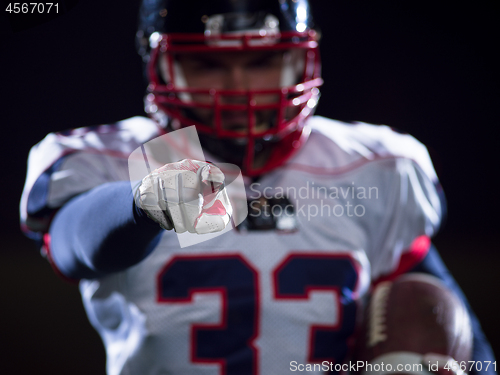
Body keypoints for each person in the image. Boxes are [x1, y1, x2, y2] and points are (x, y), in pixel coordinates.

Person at [20, 0, 495, 374]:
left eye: (264, 60)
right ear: (162, 65)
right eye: (208, 65)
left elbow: (439, 305)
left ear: (301, 56)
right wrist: (140, 205)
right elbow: (70, 246)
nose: (239, 85)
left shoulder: (373, 165)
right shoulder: (121, 157)